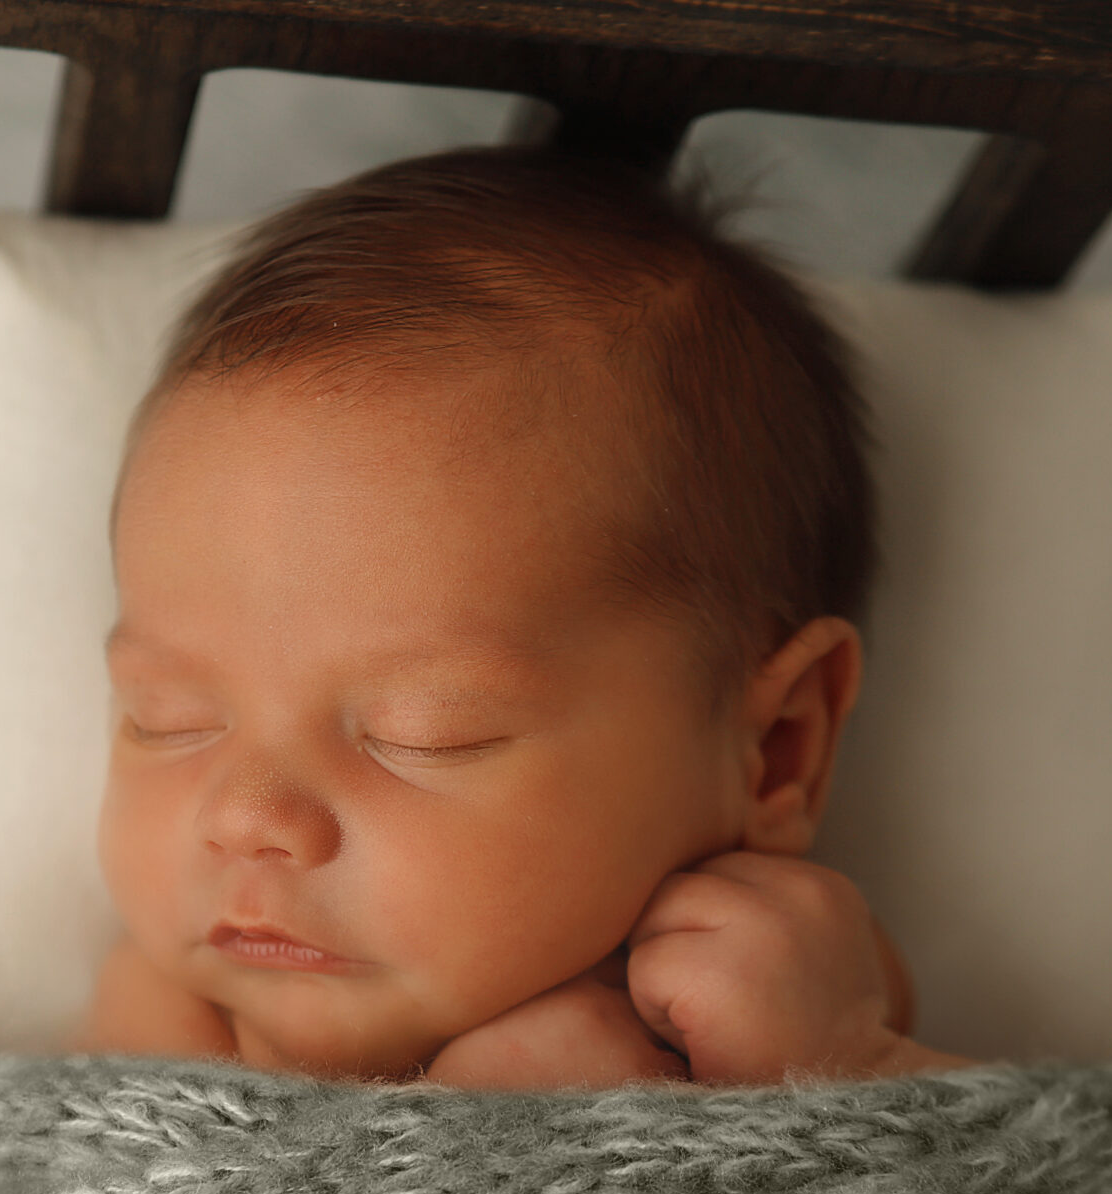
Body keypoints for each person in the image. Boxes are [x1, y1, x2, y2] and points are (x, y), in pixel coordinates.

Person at [73, 146, 972, 1090]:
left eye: (423, 734)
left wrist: (849, 1066)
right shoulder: (162, 1032)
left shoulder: (802, 990)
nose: (246, 816)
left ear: (779, 746)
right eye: (164, 716)